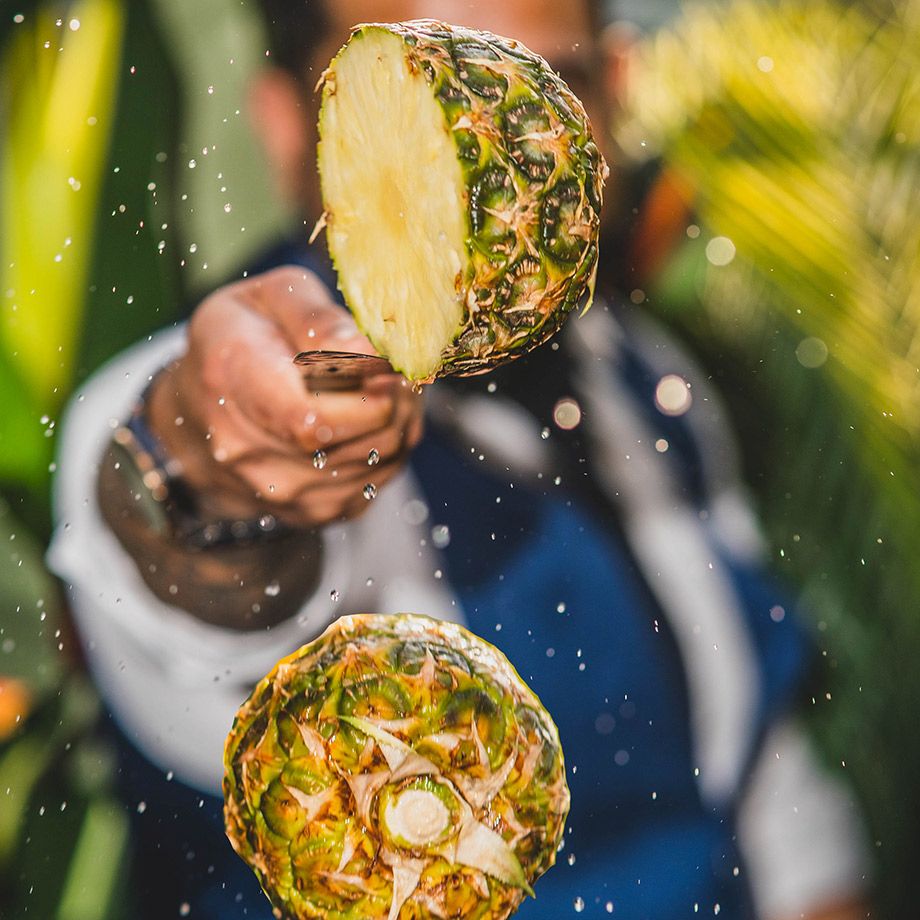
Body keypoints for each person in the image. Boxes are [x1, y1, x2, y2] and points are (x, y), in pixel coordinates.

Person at [47, 0, 871, 917]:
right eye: (426, 94)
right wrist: (203, 472)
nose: (493, 169)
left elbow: (759, 764)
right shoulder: (268, 375)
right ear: (288, 124)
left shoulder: (650, 376)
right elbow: (187, 554)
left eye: (539, 91)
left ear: (615, 91)